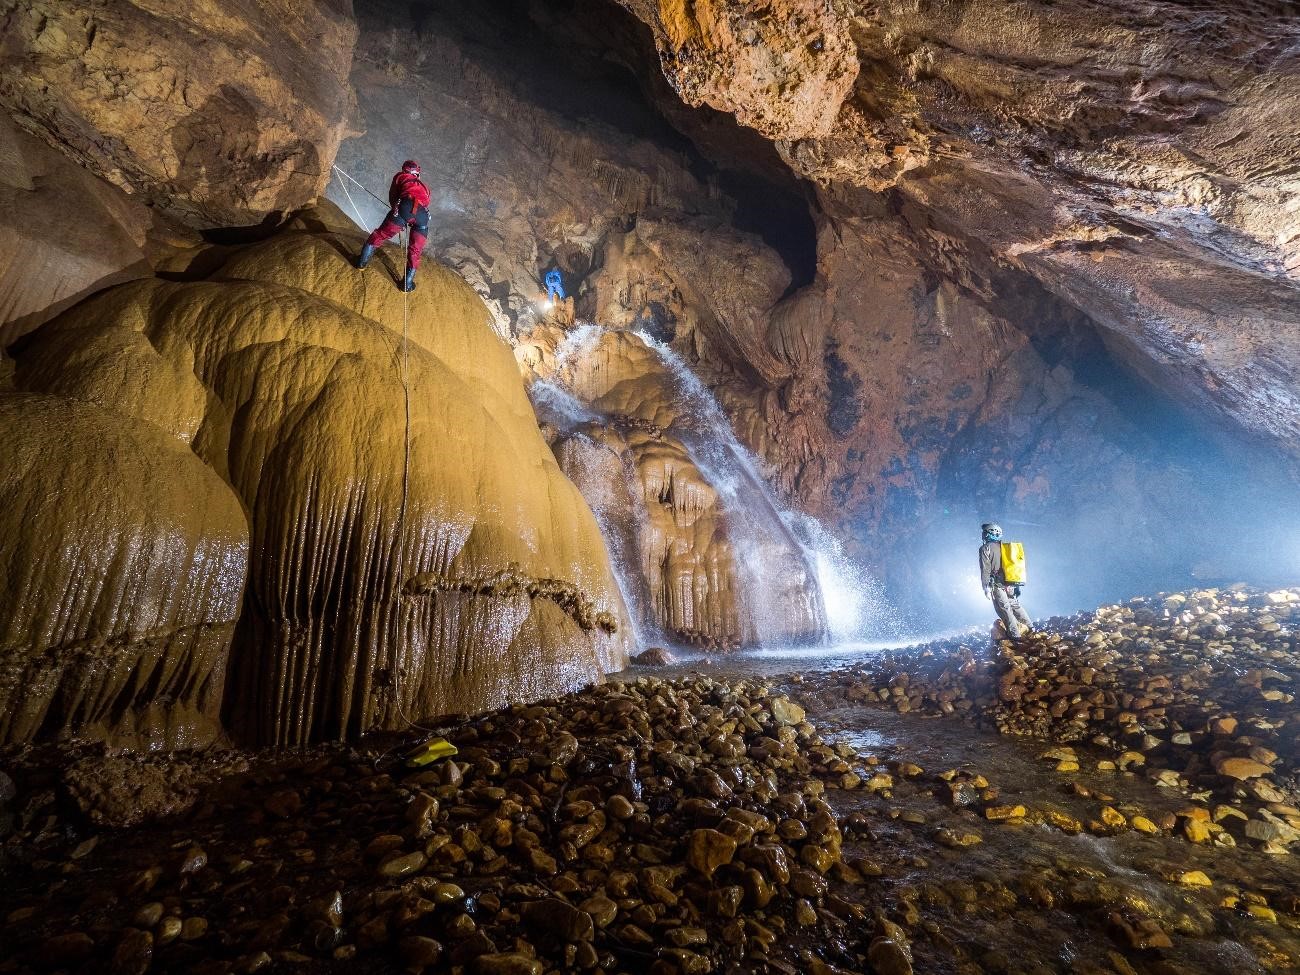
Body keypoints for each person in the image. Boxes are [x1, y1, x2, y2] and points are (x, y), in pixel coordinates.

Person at [356, 160, 430, 293]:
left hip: (404, 206)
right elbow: (424, 203)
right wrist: (409, 218)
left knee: (380, 234)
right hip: (423, 216)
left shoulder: (401, 176)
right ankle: (407, 285)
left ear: (405, 170)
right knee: (415, 251)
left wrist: (400, 217)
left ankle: (361, 263)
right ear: (417, 173)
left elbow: (393, 196)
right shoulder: (424, 186)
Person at [979, 522, 1033, 639]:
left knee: (1005, 609)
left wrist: (985, 587)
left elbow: (985, 569)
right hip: (1011, 583)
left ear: (988, 534)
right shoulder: (1006, 547)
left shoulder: (985, 548)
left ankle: (1015, 636)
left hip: (997, 584)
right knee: (1015, 605)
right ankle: (1031, 628)